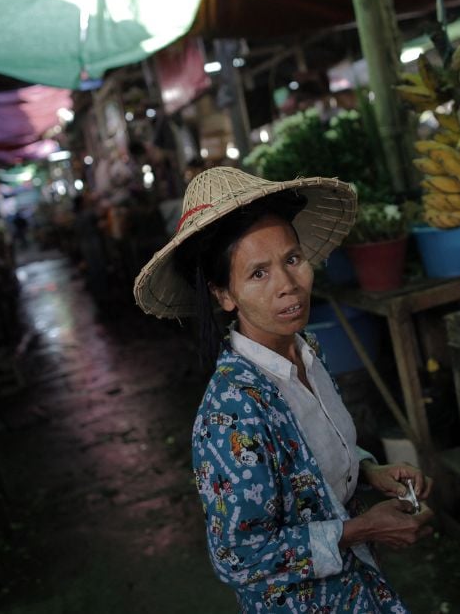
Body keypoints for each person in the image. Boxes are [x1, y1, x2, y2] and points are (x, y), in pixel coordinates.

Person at [133, 167, 433, 613]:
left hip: (358, 589)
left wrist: (370, 470)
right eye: (258, 274)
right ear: (224, 295)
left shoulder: (307, 350)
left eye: (292, 260)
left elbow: (309, 456)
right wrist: (360, 530)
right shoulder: (231, 413)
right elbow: (236, 557)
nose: (288, 286)